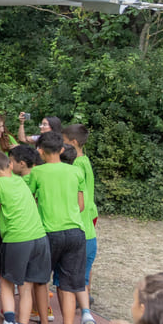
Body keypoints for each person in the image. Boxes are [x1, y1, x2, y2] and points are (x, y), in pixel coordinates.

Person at [30, 131, 90, 324]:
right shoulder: (76, 171)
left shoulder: (37, 172)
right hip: (76, 232)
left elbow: (31, 200)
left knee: (41, 279)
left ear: (40, 151)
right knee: (69, 286)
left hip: (48, 232)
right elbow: (81, 205)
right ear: (63, 149)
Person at [0, 148, 50, 324]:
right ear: (9, 165)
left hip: (17, 240)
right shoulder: (19, 181)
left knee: (6, 281)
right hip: (39, 238)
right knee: (26, 287)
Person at [64, 124, 99, 298]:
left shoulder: (76, 164)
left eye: (64, 141)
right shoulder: (85, 160)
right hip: (88, 220)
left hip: (81, 221)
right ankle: (85, 299)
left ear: (74, 142)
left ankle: (81, 299)